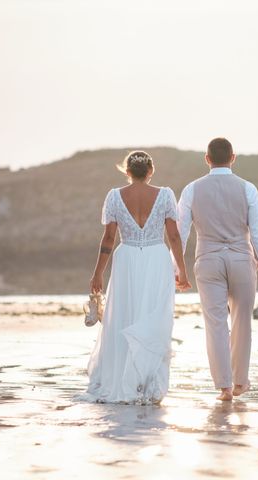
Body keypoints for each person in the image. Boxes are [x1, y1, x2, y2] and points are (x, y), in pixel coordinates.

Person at [82, 150, 191, 405]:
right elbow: (174, 236)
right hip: (157, 258)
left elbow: (108, 238)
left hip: (126, 258)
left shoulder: (114, 196)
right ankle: (149, 386)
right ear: (151, 171)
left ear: (127, 171)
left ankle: (124, 380)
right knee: (154, 316)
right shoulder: (165, 195)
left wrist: (97, 272)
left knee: (124, 316)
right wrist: (182, 270)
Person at [178, 138, 258, 402]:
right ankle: (240, 382)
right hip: (241, 261)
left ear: (207, 158)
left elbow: (181, 232)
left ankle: (223, 387)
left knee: (215, 323)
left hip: (208, 260)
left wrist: (177, 268)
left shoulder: (191, 189)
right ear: (233, 157)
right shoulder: (248, 189)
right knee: (241, 321)